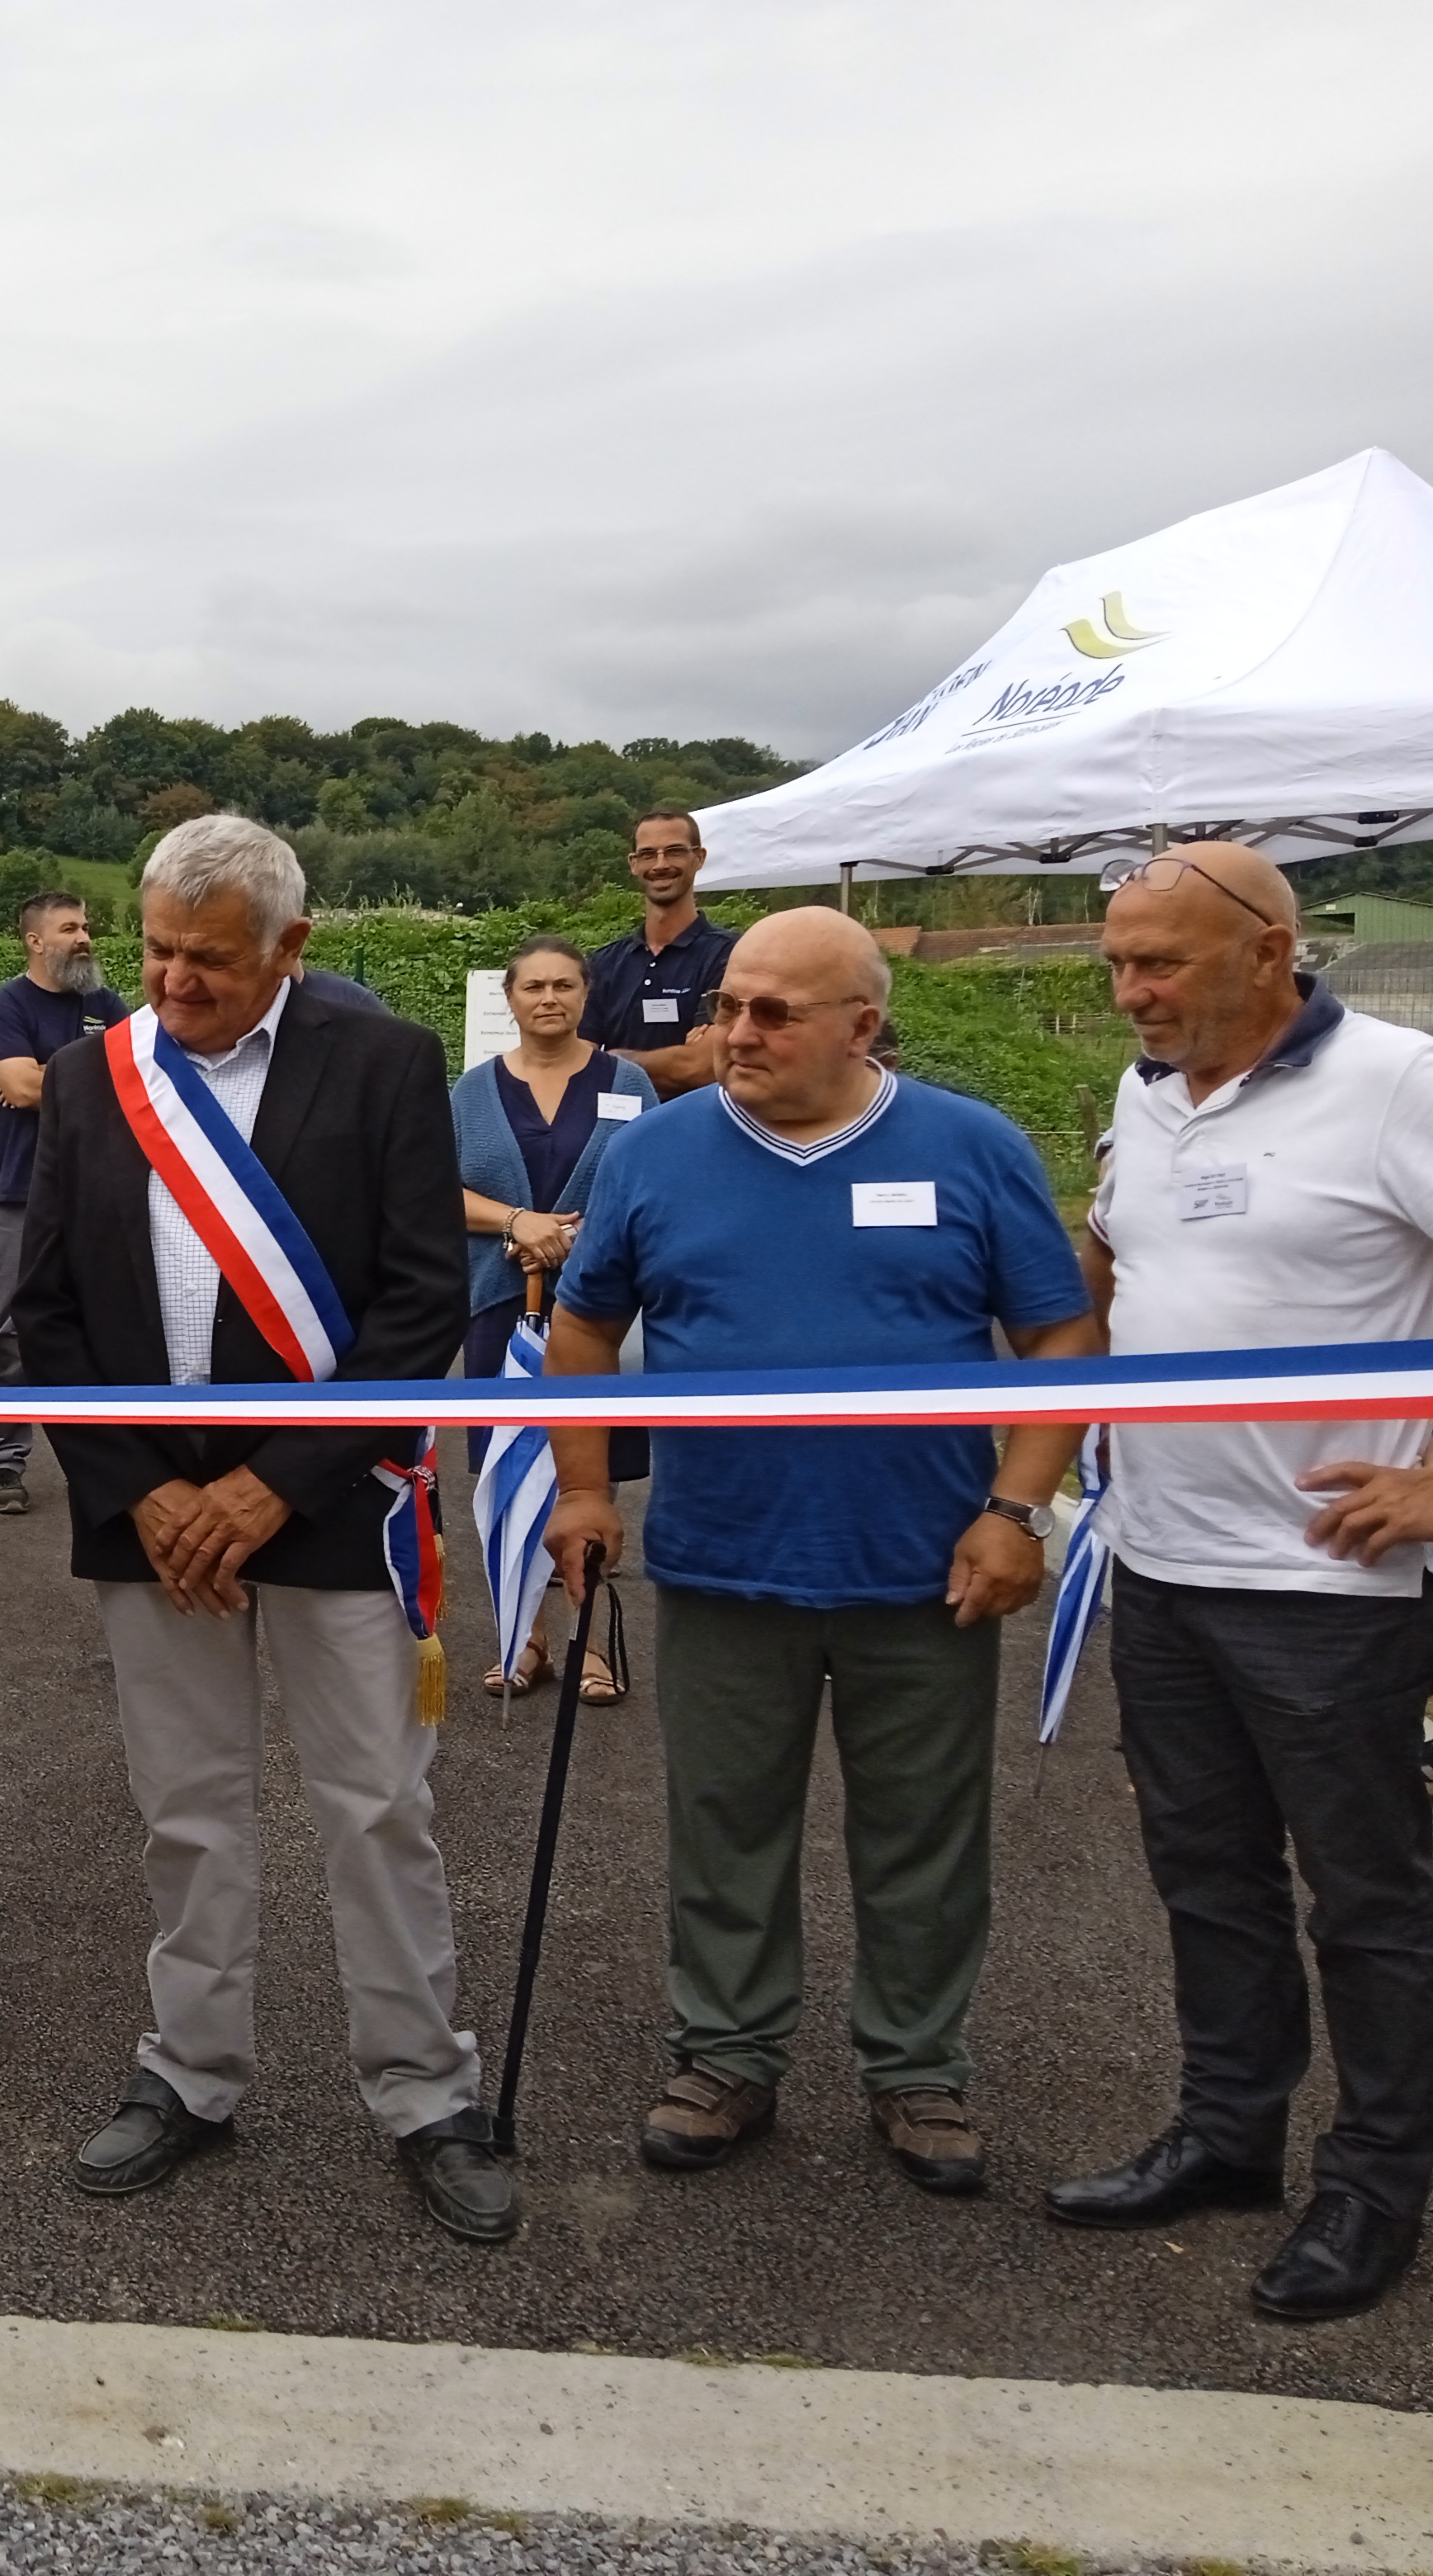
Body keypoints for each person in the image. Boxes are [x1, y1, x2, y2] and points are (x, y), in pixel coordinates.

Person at [542, 904, 1097, 2195]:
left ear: (864, 1021)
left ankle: (917, 2070)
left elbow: (1061, 1341)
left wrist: (1016, 1511)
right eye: (733, 1004)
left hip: (927, 1569)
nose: (738, 1031)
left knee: (925, 1837)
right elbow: (582, 1332)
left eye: (775, 1012)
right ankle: (727, 2053)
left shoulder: (972, 1148)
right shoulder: (657, 1157)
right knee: (727, 1825)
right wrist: (582, 1489)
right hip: (726, 1561)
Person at [12, 817, 508, 2240]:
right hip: (150, 1511)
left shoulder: (386, 1064)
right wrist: (147, 1491)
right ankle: (191, 2072)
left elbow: (420, 1303)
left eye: (210, 960)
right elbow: (43, 1312)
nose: (173, 983)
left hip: (333, 1499)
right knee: (188, 1814)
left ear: (292, 947)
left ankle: (424, 2089)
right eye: (157, 951)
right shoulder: (105, 1082)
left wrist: (272, 1483)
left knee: (375, 1807)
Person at [1044, 842, 1433, 2323]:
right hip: (1163, 1554)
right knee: (1207, 1879)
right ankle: (1227, 2135)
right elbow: (1112, 1277)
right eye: (1119, 967)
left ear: (1272, 950)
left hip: (1330, 1585)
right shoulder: (1150, 1096)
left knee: (1367, 1901)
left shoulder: (1398, 1082)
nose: (1133, 993)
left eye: (1163, 966)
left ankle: (1379, 2181)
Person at [452, 932, 656, 1696]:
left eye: (563, 986)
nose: (548, 999)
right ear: (510, 999)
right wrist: (517, 1222)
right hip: (500, 1307)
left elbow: (652, 1182)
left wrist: (583, 1237)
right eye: (532, 986)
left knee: (588, 1475)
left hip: (602, 1313)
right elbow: (434, 1187)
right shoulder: (471, 1093)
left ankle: (592, 1640)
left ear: (585, 994)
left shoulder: (629, 1082)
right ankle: (524, 1633)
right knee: (514, 1469)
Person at [0, 888, 130, 1516]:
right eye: (70, 928)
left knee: (109, 1330)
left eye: (86, 926)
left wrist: (50, 1077)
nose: (84, 937)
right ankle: (2, 1462)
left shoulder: (107, 1004)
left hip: (101, 1195)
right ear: (36, 941)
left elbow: (145, 1076)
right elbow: (18, 1085)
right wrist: (89, 1075)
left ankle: (114, 1466)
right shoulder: (6, 1005)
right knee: (16, 1333)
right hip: (22, 1193)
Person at [577, 808, 734, 1098]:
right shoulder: (604, 963)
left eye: (674, 852)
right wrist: (673, 1059)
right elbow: (574, 1063)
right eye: (648, 854)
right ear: (634, 864)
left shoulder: (730, 955)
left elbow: (702, 1066)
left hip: (694, 1134)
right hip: (616, 1136)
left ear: (698, 858)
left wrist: (611, 1060)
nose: (661, 865)